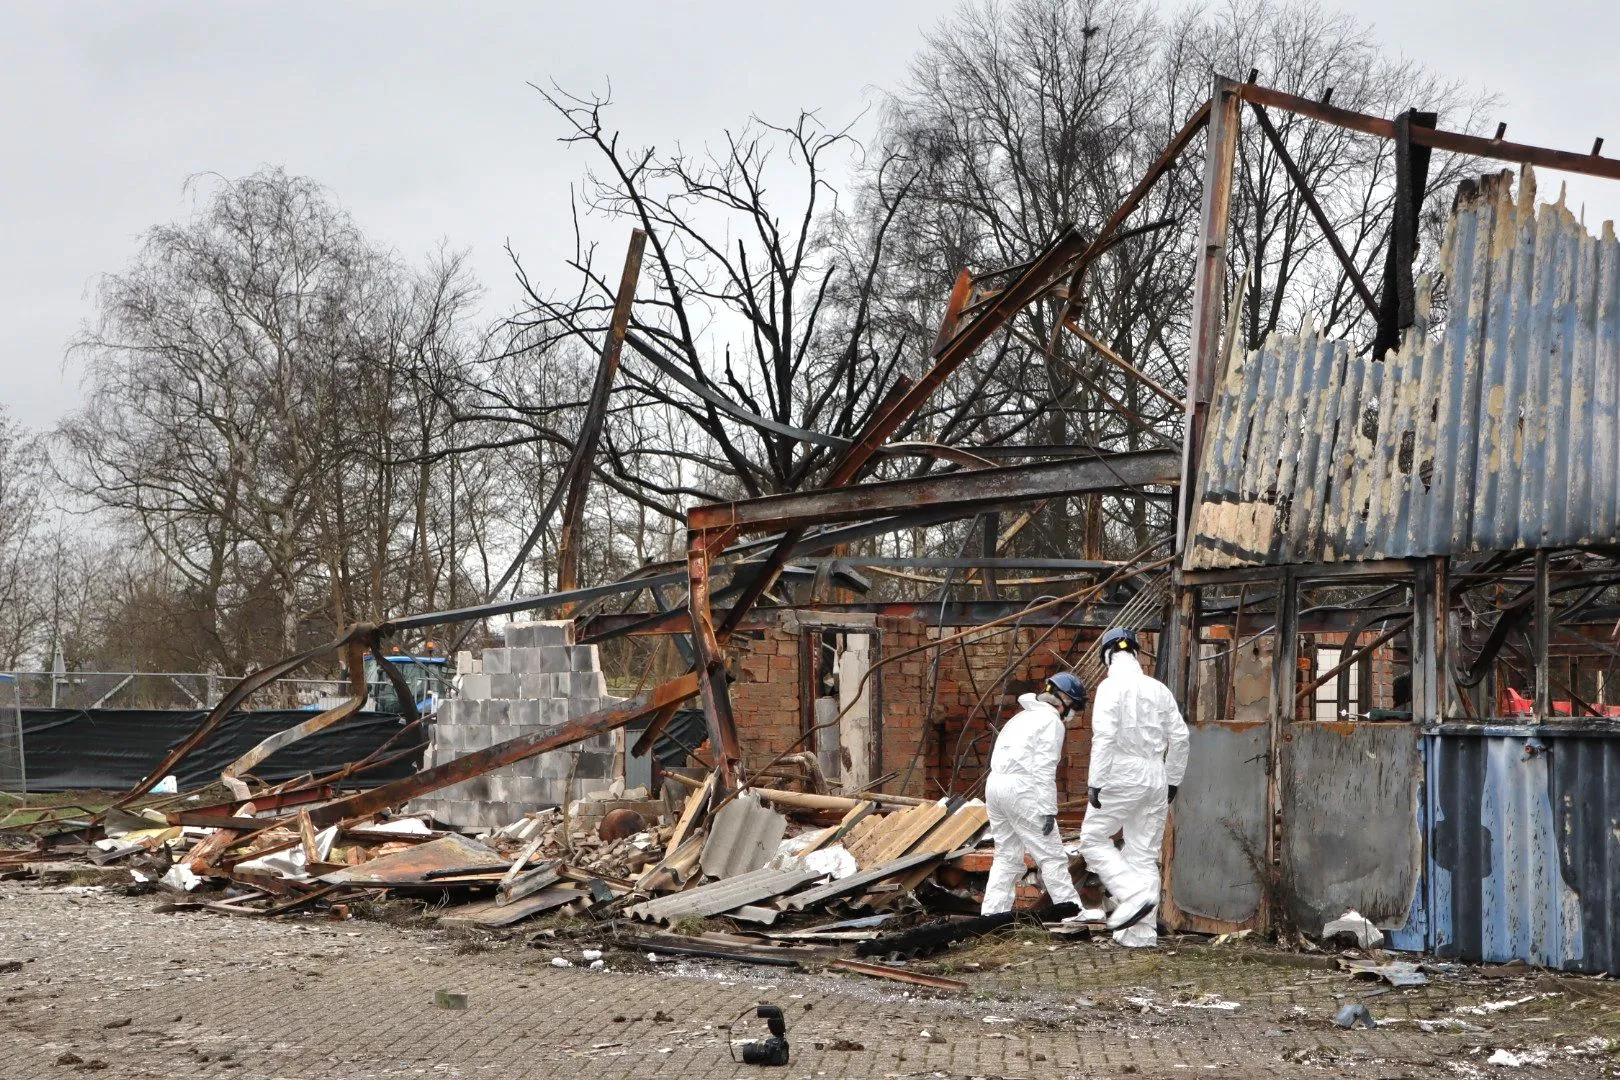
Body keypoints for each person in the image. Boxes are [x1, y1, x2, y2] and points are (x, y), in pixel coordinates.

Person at [1079, 627, 1189, 947]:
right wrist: (1172, 780)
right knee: (1142, 854)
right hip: (1156, 774)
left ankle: (1131, 895)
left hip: (1121, 771)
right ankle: (1139, 937)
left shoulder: (1109, 687)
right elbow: (1180, 738)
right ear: (1137, 654)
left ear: (1107, 655)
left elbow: (1104, 738)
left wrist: (1095, 782)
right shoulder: (1158, 689)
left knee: (1092, 839)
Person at [980, 671, 1087, 915]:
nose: (1073, 715)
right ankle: (1071, 913)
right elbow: (1044, 769)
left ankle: (991, 916)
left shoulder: (1020, 718)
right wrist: (1048, 810)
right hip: (1023, 789)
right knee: (1051, 856)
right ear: (1065, 701)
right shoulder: (1051, 722)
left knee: (1007, 856)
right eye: (1075, 707)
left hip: (995, 786)